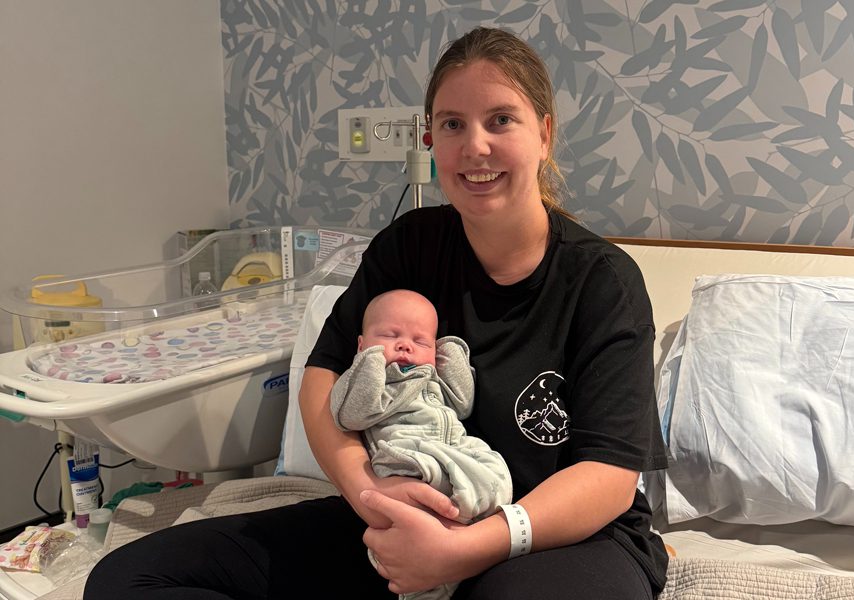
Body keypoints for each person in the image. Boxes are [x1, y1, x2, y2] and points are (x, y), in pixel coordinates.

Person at [85, 25, 669, 599]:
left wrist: (463, 549)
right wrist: (369, 494)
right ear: (429, 138)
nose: (475, 146)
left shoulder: (602, 282)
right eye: (452, 124)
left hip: (555, 535)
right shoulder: (409, 246)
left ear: (544, 133)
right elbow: (323, 375)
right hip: (396, 510)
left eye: (501, 120)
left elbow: (609, 479)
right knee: (129, 578)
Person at [332, 289, 512, 599]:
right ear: (361, 345)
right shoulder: (365, 380)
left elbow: (463, 404)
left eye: (420, 341)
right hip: (406, 458)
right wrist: (372, 361)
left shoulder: (430, 374)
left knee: (496, 469)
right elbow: (352, 416)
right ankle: (446, 542)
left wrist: (447, 351)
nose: (404, 345)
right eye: (390, 335)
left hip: (454, 451)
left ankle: (466, 527)